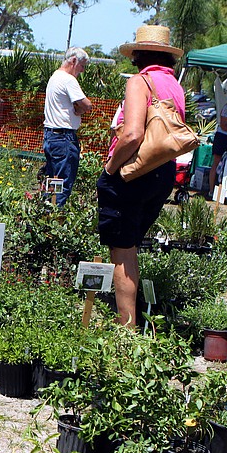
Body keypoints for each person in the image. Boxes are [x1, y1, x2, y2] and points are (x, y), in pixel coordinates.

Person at [98, 25, 185, 327]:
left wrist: (110, 168)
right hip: (163, 172)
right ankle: (131, 322)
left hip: (134, 173)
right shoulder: (173, 84)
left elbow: (133, 134)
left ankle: (127, 330)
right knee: (131, 244)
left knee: (122, 251)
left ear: (137, 54)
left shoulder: (140, 81)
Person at [43, 47, 93, 207]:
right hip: (64, 138)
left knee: (53, 181)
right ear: (73, 61)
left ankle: (45, 214)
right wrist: (80, 109)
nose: (82, 70)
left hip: (51, 136)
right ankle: (54, 220)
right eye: (82, 65)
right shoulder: (68, 79)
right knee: (62, 183)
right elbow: (86, 104)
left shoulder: (55, 77)